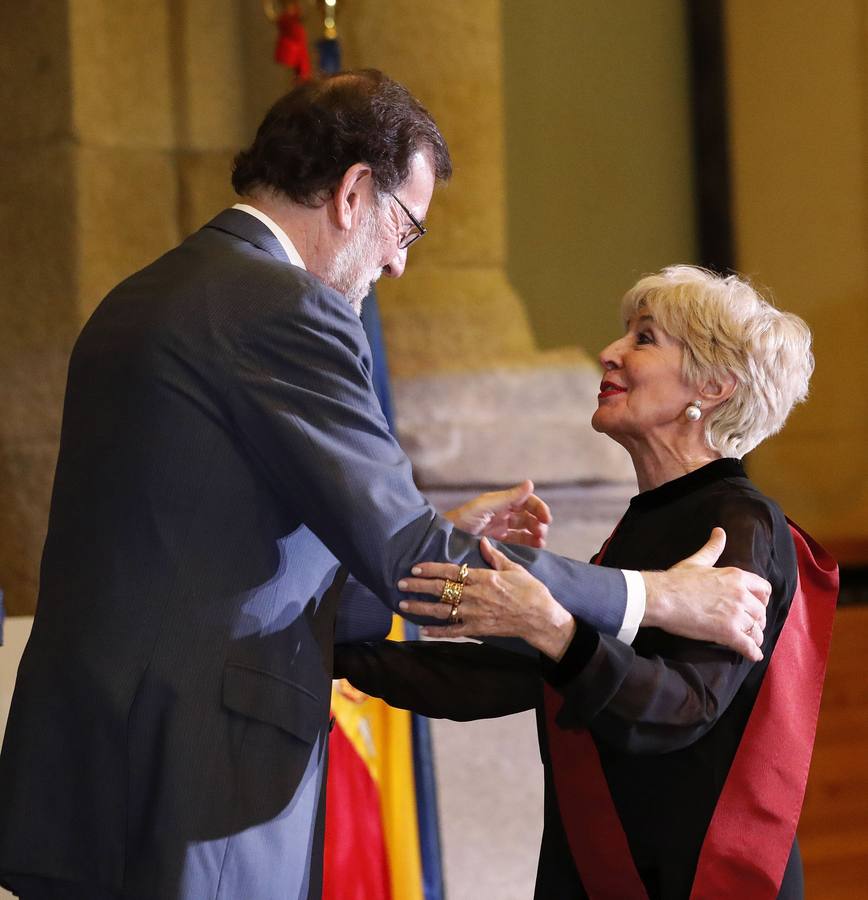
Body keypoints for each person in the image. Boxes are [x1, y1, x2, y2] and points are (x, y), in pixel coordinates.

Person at [0, 70, 770, 900]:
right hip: (196, 775)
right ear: (353, 192)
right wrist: (652, 600)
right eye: (407, 226)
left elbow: (210, 566)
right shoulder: (281, 307)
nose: (399, 264)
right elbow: (408, 558)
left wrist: (440, 540)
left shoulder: (142, 294)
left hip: (88, 772)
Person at [336, 266, 836, 899]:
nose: (610, 352)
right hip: (600, 864)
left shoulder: (738, 521)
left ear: (713, 386)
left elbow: (682, 707)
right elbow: (513, 677)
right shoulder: (642, 525)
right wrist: (337, 654)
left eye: (645, 338)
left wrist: (555, 630)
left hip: (694, 877)